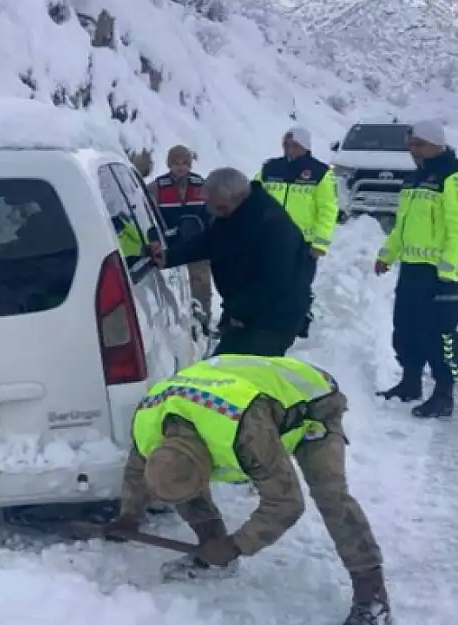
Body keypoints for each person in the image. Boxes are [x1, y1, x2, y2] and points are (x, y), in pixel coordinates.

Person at [106, 354, 391, 625]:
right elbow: (137, 469)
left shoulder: (245, 433)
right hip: (241, 389)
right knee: (178, 482)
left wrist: (235, 546)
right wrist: (129, 516)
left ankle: (372, 595)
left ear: (209, 466)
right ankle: (211, 547)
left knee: (330, 495)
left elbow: (286, 503)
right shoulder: (149, 426)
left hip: (311, 400)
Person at [374, 120, 458, 418]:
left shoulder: (457, 177)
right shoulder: (415, 178)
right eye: (410, 145)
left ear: (436, 144)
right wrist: (387, 254)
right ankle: (410, 383)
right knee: (406, 329)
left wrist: (449, 273)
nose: (413, 150)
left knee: (439, 334)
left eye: (419, 144)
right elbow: (402, 225)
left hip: (438, 274)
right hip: (412, 270)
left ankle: (444, 393)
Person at [154, 167, 310, 356]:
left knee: (242, 376)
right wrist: (169, 256)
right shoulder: (235, 213)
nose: (210, 210)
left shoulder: (273, 226)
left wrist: (239, 312)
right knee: (225, 369)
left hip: (273, 319)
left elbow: (274, 282)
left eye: (215, 205)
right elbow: (209, 241)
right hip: (247, 314)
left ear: (234, 198)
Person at [254, 126, 339, 339]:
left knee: (299, 284)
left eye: (295, 145)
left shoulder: (320, 173)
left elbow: (328, 209)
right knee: (269, 280)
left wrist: (321, 242)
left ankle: (299, 320)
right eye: (287, 145)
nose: (290, 149)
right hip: (271, 239)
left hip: (303, 242)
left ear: (305, 147)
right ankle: (269, 319)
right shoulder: (270, 168)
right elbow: (253, 196)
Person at [147, 145, 214, 332]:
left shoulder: (201, 184)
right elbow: (148, 216)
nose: (180, 167)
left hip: (198, 246)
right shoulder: (156, 187)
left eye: (184, 163)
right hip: (171, 247)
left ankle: (203, 323)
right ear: (169, 164)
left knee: (200, 284)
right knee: (172, 287)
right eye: (176, 163)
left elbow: (212, 214)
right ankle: (175, 325)